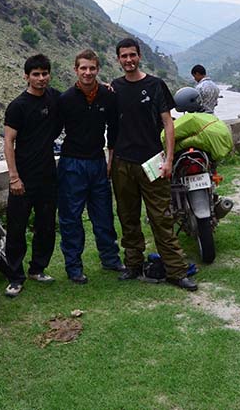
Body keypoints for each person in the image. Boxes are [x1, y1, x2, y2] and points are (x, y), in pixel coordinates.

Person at [110, 38, 198, 291]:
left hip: (152, 161)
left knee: (161, 217)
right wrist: (110, 160)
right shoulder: (115, 88)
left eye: (132, 55)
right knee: (127, 217)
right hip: (122, 163)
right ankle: (133, 265)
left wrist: (169, 159)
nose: (128, 60)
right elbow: (111, 127)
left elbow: (168, 123)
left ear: (139, 56)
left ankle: (177, 271)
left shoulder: (156, 85)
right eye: (124, 56)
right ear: (118, 59)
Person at [57, 49, 125, 284]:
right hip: (71, 164)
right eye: (83, 68)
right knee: (70, 218)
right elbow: (52, 131)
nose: (88, 72)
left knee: (104, 214)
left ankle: (110, 258)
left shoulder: (108, 95)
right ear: (75, 70)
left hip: (98, 162)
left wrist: (110, 158)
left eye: (92, 68)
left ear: (98, 70)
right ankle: (74, 266)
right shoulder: (65, 99)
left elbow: (114, 130)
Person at [1, 54, 61, 297]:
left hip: (47, 174)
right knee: (16, 228)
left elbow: (78, 95)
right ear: (26, 76)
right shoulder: (18, 106)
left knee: (46, 225)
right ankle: (15, 277)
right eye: (35, 74)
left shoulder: (55, 98)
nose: (41, 78)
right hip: (23, 178)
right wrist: (14, 177)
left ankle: (38, 268)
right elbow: (8, 142)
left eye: (44, 73)